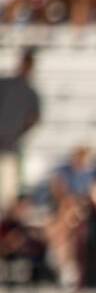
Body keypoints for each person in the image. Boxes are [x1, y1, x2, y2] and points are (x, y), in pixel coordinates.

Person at [0, 48, 40, 210]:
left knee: (7, 195)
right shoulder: (9, 85)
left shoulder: (27, 91)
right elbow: (34, 119)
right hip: (10, 147)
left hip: (10, 148)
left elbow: (34, 118)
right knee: (6, 195)